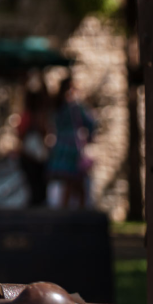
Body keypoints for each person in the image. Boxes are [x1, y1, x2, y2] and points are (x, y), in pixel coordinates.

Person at [47, 78, 96, 210]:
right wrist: (90, 137)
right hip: (72, 147)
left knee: (69, 182)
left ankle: (68, 211)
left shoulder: (57, 106)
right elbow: (91, 123)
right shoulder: (74, 107)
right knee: (75, 181)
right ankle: (78, 212)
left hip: (61, 146)